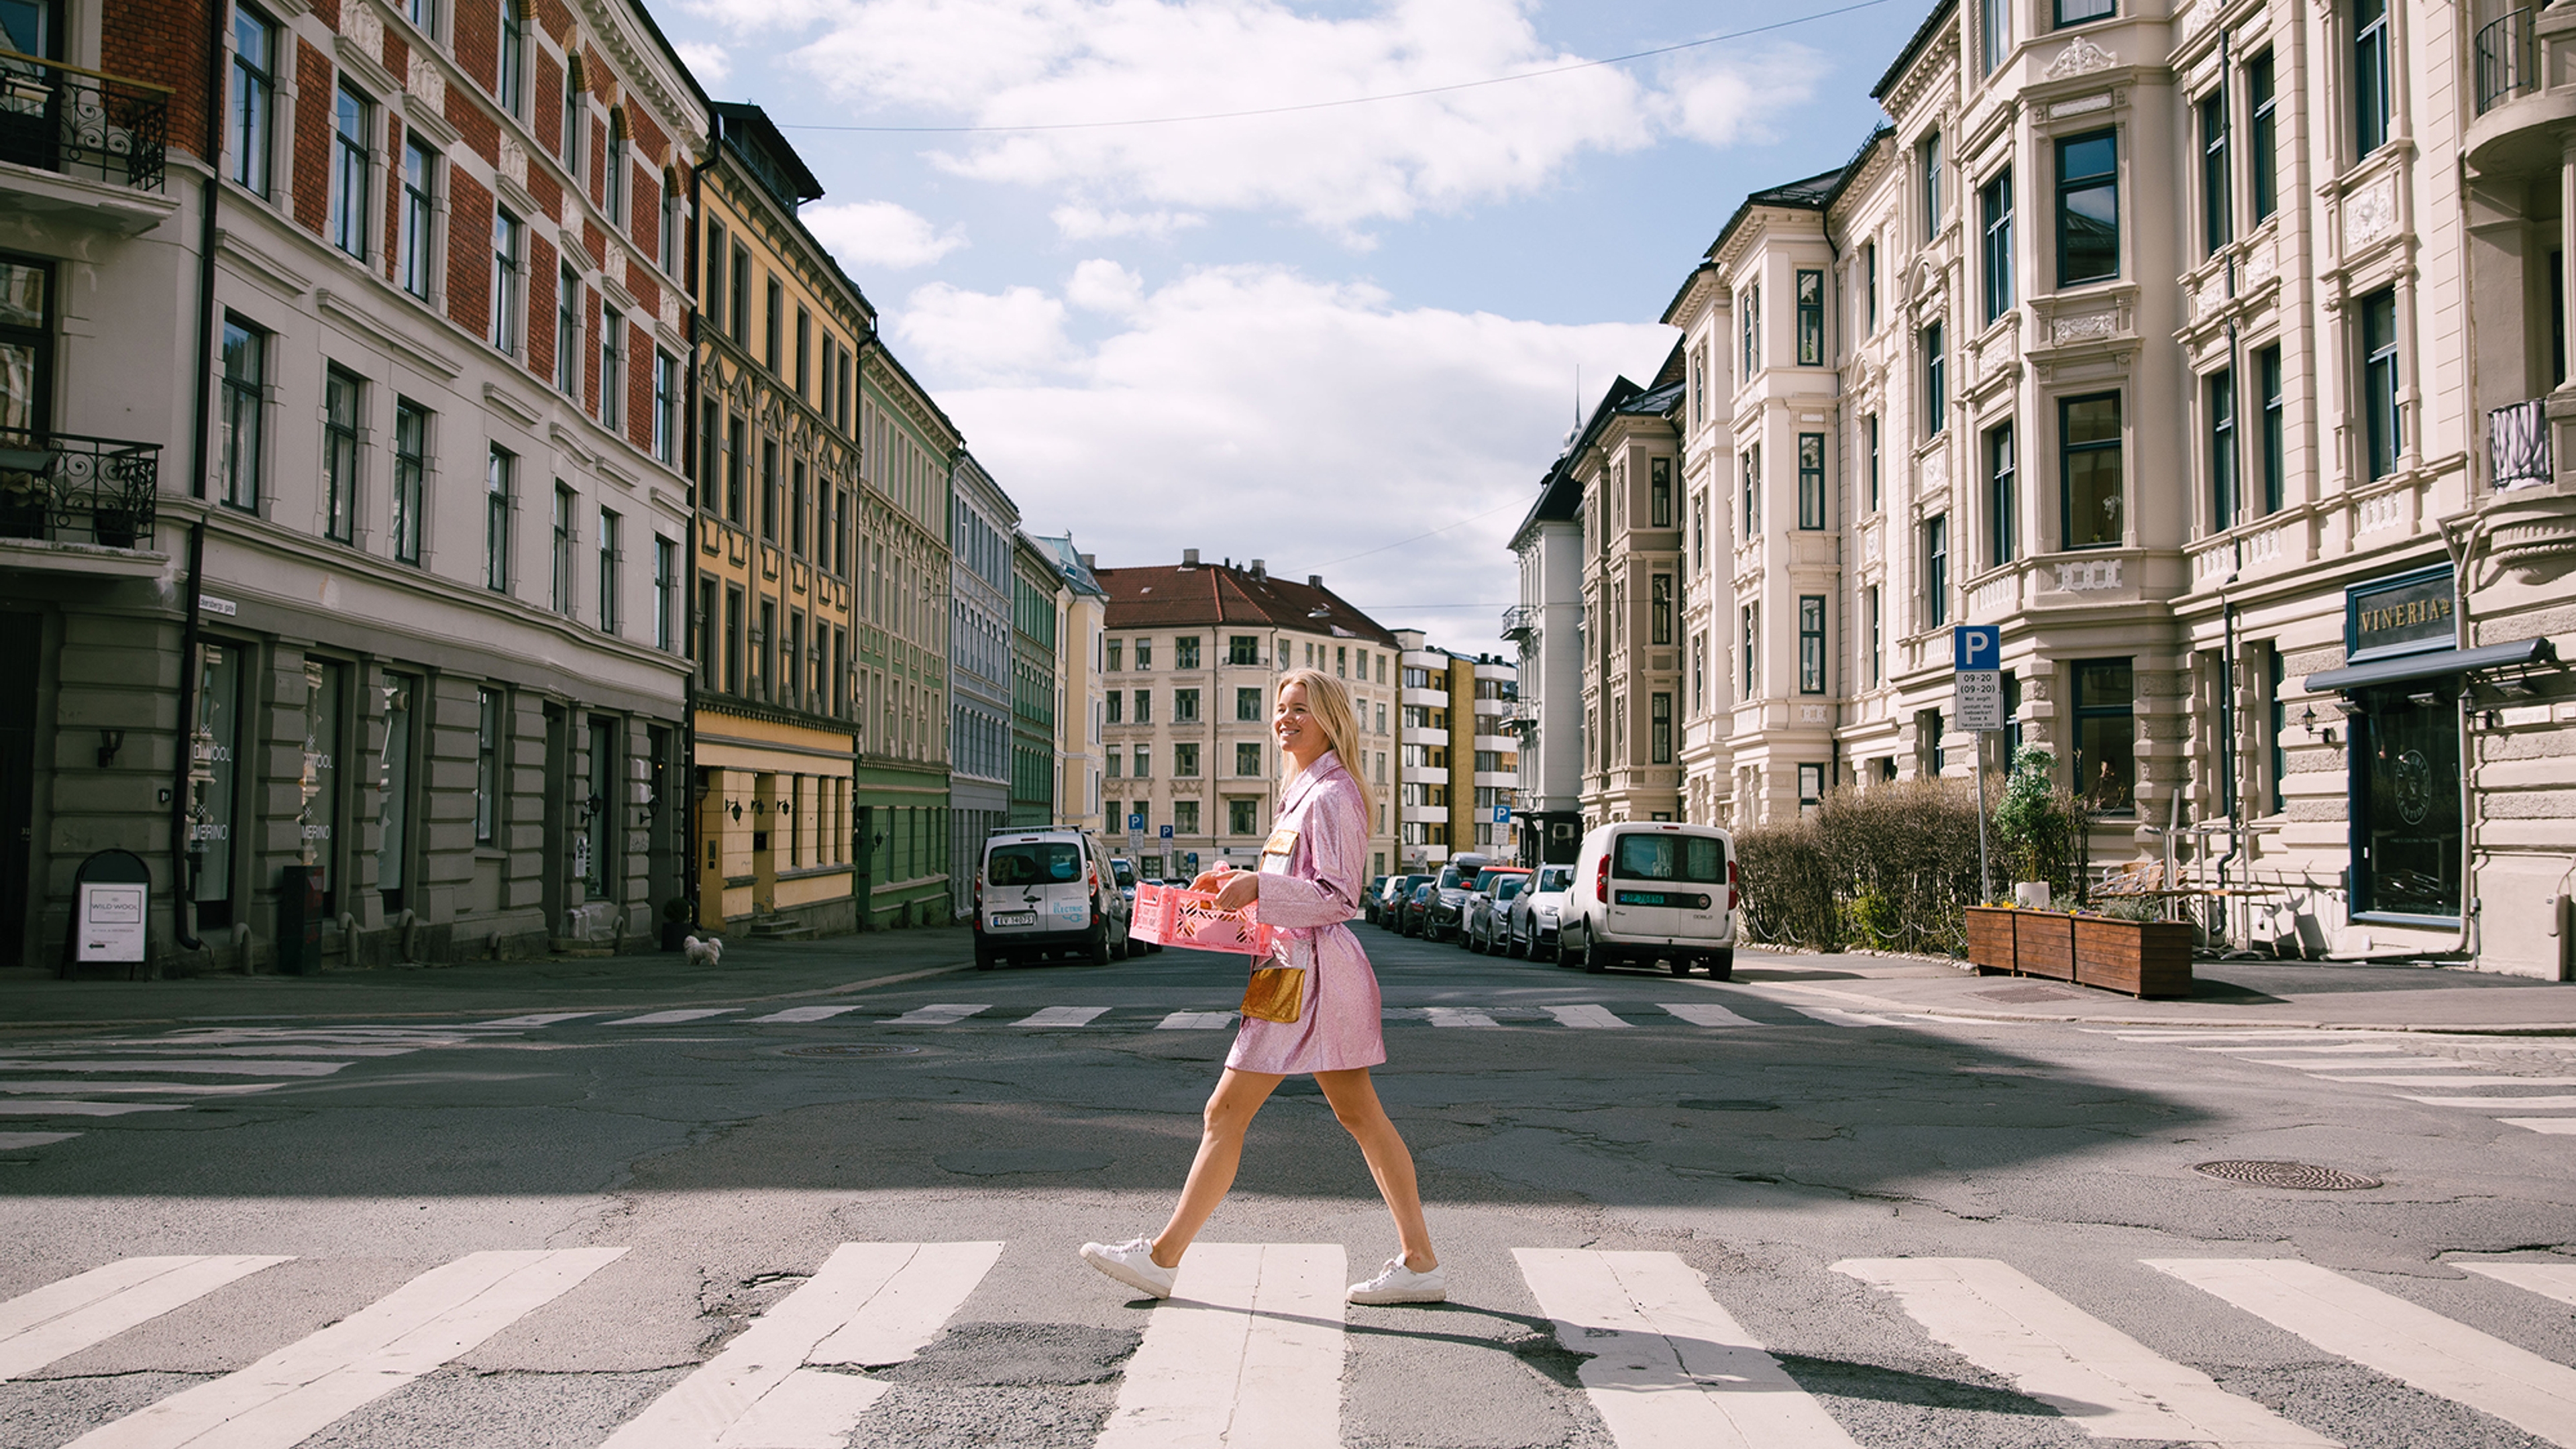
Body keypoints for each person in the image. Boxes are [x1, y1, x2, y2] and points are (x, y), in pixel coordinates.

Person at [1080, 669, 1443, 1305]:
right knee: (1358, 1115)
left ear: (1330, 717)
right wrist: (1237, 883)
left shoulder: (1333, 795)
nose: (1284, 719)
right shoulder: (1303, 791)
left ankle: (1164, 1259)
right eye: (1280, 710)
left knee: (1229, 1112)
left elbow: (1338, 897)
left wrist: (1259, 887)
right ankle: (1420, 1262)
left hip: (1307, 977)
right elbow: (1293, 892)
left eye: (1299, 709)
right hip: (1290, 971)